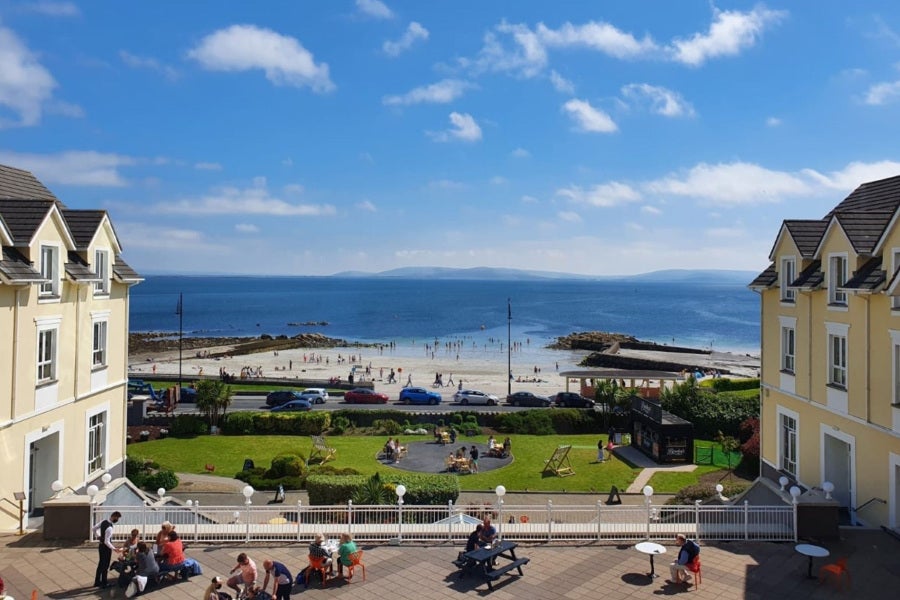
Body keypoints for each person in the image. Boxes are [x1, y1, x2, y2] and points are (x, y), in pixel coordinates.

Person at [93, 510, 121, 588]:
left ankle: (97, 581)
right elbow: (107, 541)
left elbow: (94, 528)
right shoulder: (109, 528)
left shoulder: (103, 521)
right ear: (114, 517)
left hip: (101, 546)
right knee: (105, 565)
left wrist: (98, 536)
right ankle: (104, 583)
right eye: (117, 518)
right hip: (106, 548)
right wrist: (114, 549)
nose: (117, 520)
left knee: (100, 564)